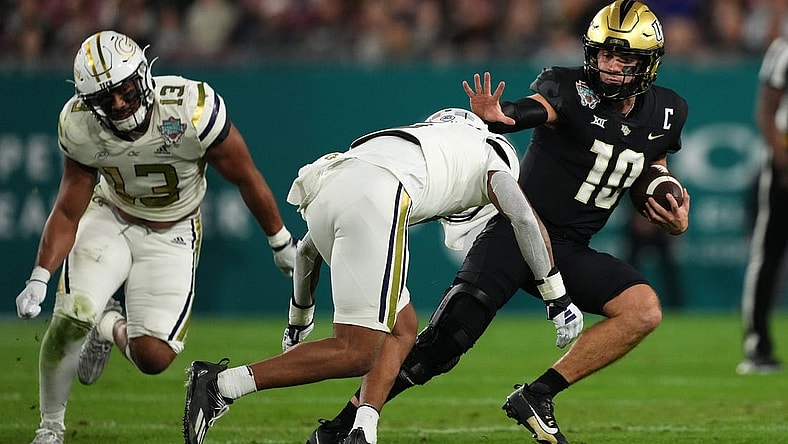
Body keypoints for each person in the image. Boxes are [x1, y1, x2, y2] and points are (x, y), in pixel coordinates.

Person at [304, 2, 690, 443]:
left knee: (643, 310)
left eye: (623, 58)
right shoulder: (568, 88)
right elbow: (534, 110)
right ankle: (340, 428)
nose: (610, 66)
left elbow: (651, 163)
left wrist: (669, 200)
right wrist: (503, 114)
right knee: (441, 346)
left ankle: (538, 395)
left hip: (569, 249)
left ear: (648, 64)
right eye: (604, 54)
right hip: (515, 233)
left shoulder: (668, 111)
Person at [182, 108, 585, 444]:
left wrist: (299, 318)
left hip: (327, 186)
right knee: (357, 351)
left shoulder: (415, 145)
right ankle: (223, 385)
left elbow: (306, 251)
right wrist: (556, 294)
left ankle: (362, 428)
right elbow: (523, 218)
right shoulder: (490, 154)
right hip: (379, 196)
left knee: (402, 329)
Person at [13, 30, 298, 444]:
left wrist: (279, 240)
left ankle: (107, 324)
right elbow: (69, 208)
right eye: (104, 98)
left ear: (144, 76)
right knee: (72, 315)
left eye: (124, 90)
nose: (117, 104)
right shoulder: (80, 124)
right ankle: (50, 428)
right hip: (111, 217)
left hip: (173, 229)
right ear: (87, 102)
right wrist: (40, 275)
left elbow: (246, 176)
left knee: (153, 356)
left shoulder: (191, 108)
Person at [737, 35, 788, 375]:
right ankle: (758, 345)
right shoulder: (784, 49)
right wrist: (781, 158)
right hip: (785, 161)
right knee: (767, 254)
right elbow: (766, 109)